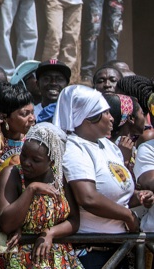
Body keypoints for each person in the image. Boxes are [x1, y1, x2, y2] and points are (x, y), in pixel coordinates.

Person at [55, 84, 150, 269]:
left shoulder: (109, 146)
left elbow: (115, 193)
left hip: (120, 248)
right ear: (89, 117)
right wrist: (128, 217)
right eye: (106, 112)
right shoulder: (74, 148)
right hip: (92, 252)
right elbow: (88, 197)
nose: (112, 117)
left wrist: (138, 197)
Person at [0, 122, 79, 269]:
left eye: (36, 160)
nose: (27, 163)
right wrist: (31, 190)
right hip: (23, 259)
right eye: (24, 155)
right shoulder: (12, 174)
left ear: (51, 161)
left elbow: (74, 221)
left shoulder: (60, 178)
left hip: (59, 258)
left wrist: (50, 233)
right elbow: (7, 223)